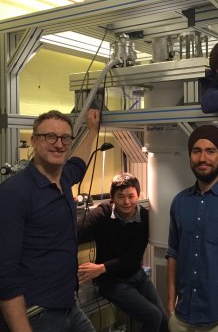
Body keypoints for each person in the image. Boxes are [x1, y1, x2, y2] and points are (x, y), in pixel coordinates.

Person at [0, 108, 100, 332]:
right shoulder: (14, 193)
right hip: (37, 313)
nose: (59, 144)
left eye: (65, 138)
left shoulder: (64, 178)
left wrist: (92, 131)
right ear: (34, 141)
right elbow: (5, 273)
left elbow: (79, 163)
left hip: (69, 305)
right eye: (50, 137)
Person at [166, 125, 218, 332]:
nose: (202, 158)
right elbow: (173, 254)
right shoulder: (179, 202)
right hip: (181, 317)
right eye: (196, 151)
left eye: (210, 151)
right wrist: (170, 304)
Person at [77, 172, 168, 332]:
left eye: (131, 196)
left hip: (137, 275)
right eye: (120, 196)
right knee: (153, 316)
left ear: (138, 195)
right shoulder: (103, 213)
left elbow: (132, 259)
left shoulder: (145, 218)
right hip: (112, 282)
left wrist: (101, 268)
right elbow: (78, 232)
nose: (126, 202)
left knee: (163, 321)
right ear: (112, 197)